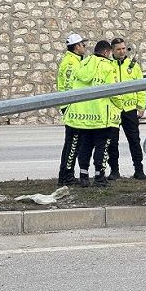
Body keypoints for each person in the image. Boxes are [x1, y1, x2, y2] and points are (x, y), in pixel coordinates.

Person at [64, 40, 123, 187]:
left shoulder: (82, 65)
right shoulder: (107, 67)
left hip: (84, 117)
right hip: (102, 116)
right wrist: (120, 106)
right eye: (109, 53)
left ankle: (83, 177)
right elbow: (114, 92)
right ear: (105, 52)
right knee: (102, 147)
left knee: (85, 146)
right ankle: (99, 177)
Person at [106, 37, 146, 180]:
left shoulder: (133, 65)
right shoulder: (107, 65)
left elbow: (141, 88)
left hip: (130, 110)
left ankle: (139, 170)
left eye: (124, 48)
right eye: (119, 49)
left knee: (134, 141)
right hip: (114, 109)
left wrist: (141, 106)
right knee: (112, 142)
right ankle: (114, 171)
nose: (122, 51)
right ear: (112, 51)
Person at [56, 33, 88, 187]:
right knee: (73, 143)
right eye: (83, 44)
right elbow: (70, 87)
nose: (85, 47)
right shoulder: (72, 63)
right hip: (72, 107)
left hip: (70, 106)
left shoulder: (73, 60)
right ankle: (67, 177)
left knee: (71, 144)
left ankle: (64, 175)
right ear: (77, 46)